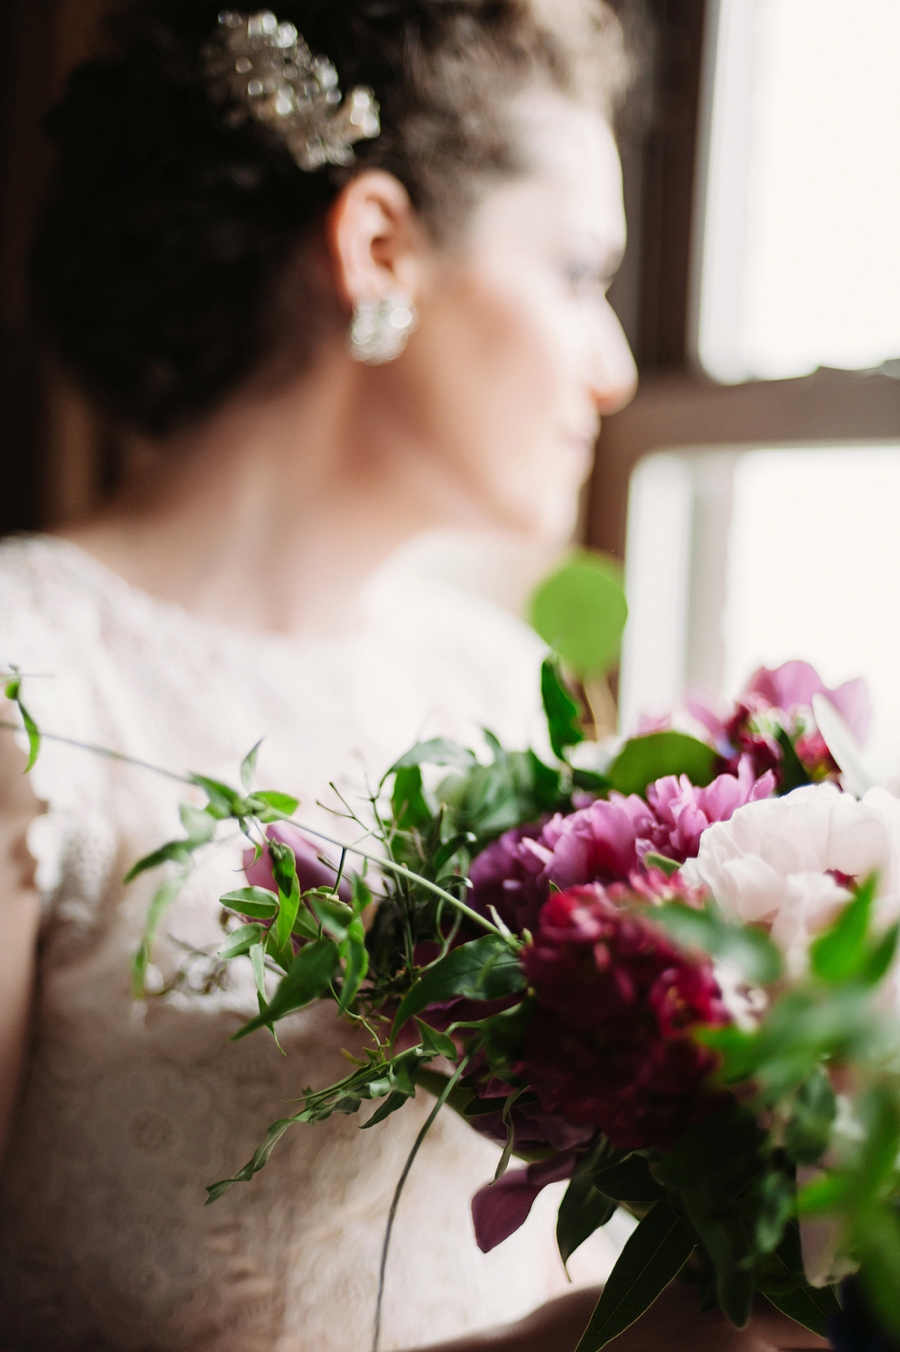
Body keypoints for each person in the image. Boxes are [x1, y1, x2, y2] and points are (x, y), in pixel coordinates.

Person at [0, 1, 828, 1349]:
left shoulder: (499, 686)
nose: (615, 366)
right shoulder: (28, 682)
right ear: (378, 247)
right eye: (575, 272)